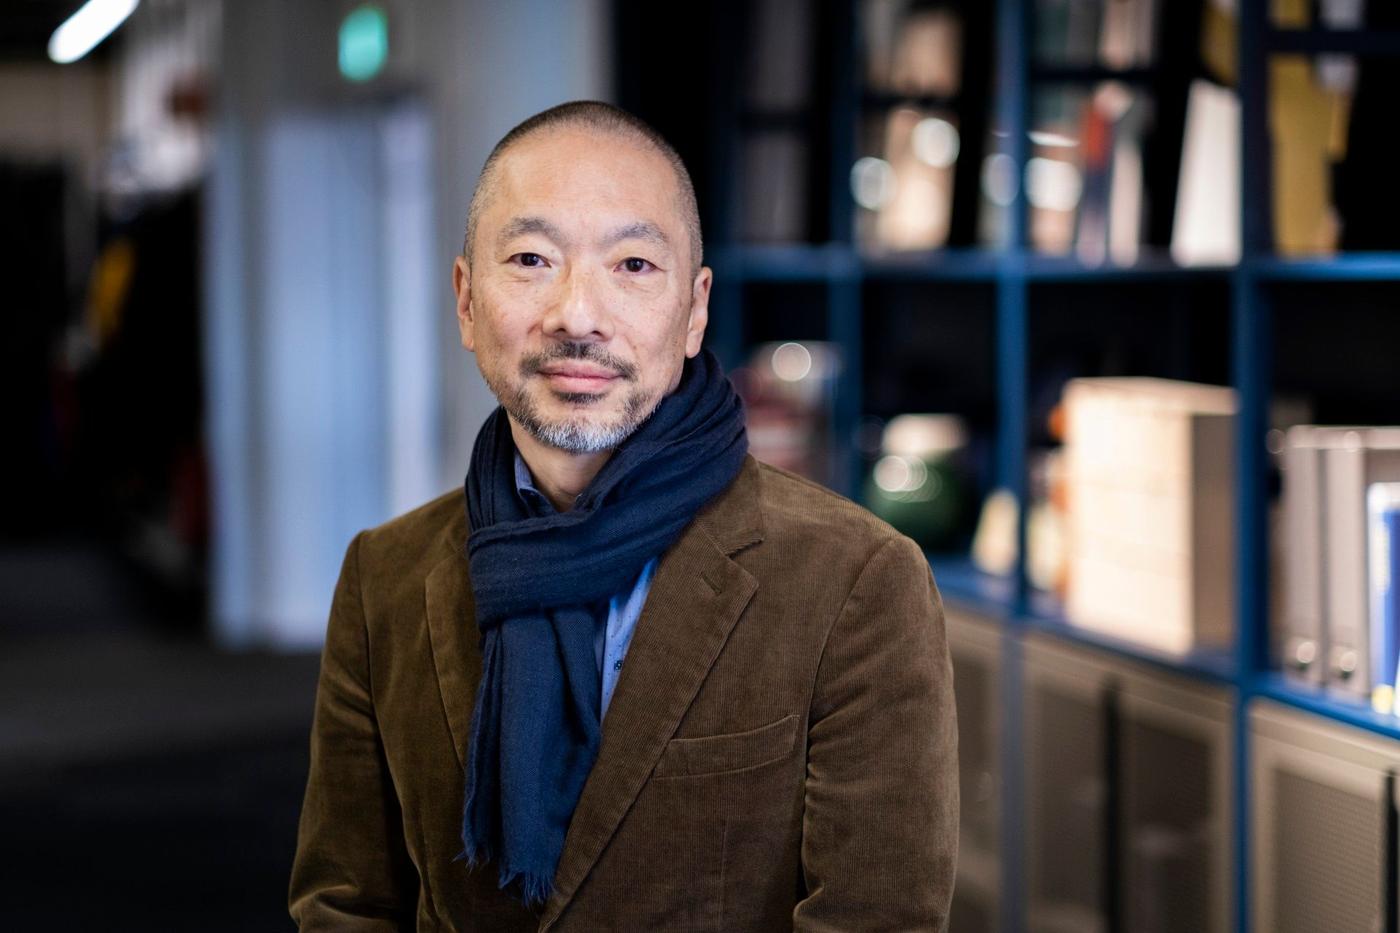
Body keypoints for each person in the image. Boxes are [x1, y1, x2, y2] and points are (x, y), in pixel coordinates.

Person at [289, 100, 958, 932]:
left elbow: (877, 918)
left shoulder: (856, 582)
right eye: (532, 258)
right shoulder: (382, 575)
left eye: (634, 265)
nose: (578, 314)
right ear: (465, 300)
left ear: (695, 308)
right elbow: (345, 904)